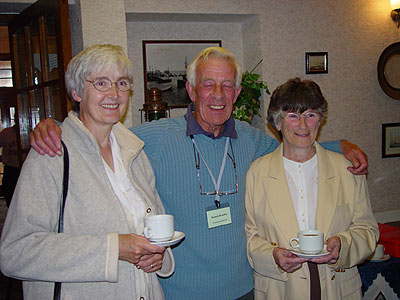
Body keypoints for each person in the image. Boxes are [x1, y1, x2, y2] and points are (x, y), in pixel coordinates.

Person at [29, 47, 368, 300]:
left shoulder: (253, 141)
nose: (217, 95)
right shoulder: (156, 137)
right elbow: (100, 132)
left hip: (245, 289)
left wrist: (344, 145)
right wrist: (55, 127)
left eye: (227, 86)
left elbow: (299, 145)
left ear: (237, 93)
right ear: (191, 90)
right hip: (179, 292)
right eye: (208, 85)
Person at [0, 44, 175, 300]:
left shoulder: (135, 153)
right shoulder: (51, 155)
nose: (114, 94)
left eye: (122, 83)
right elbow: (15, 252)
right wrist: (114, 248)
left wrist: (158, 256)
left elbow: (153, 226)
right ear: (76, 91)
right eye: (102, 83)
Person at [245, 78, 378, 300]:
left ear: (320, 120)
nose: (303, 125)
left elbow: (367, 230)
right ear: (278, 122)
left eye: (310, 114)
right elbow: (250, 236)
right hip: (280, 290)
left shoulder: (346, 170)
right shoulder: (257, 173)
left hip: (338, 287)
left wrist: (343, 246)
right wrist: (273, 256)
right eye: (293, 116)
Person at [0, 124, 20, 207]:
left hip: (23, 168)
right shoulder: (6, 133)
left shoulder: (28, 131)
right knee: (9, 193)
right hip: (10, 168)